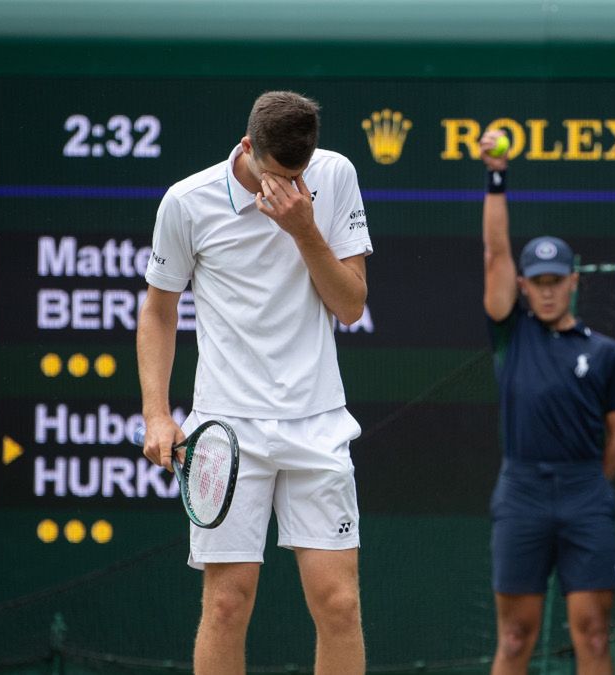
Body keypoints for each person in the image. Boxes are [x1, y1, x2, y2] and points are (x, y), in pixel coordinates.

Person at [136, 91, 371, 674]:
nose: (288, 189)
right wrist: (157, 414)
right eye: (277, 175)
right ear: (247, 149)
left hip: (317, 423)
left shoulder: (334, 176)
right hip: (225, 429)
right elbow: (159, 311)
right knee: (225, 604)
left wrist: (304, 229)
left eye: (298, 175)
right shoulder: (186, 203)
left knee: (339, 605)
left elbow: (350, 307)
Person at [478, 130, 615, 675]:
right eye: (537, 281)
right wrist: (496, 177)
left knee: (592, 637)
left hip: (583, 495)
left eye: (556, 280)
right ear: (523, 285)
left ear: (574, 281)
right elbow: (495, 251)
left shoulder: (607, 353)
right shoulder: (510, 333)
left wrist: (590, 481)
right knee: (516, 636)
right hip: (521, 491)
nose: (546, 290)